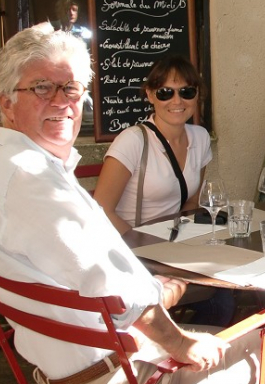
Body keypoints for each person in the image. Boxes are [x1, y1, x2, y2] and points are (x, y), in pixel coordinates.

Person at [0, 27, 265, 384]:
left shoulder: (6, 167)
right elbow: (118, 293)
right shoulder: (30, 182)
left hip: (71, 376)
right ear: (6, 101)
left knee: (211, 314)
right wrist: (179, 342)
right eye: (42, 87)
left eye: (71, 88)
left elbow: (88, 273)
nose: (61, 101)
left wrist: (154, 295)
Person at [94, 55, 235, 326]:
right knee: (220, 299)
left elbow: (191, 202)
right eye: (165, 92)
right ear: (150, 95)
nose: (177, 101)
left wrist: (194, 246)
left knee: (225, 286)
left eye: (186, 92)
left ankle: (188, 351)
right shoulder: (133, 141)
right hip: (131, 253)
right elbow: (101, 209)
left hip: (172, 249)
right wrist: (148, 246)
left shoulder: (200, 138)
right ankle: (175, 351)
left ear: (197, 96)